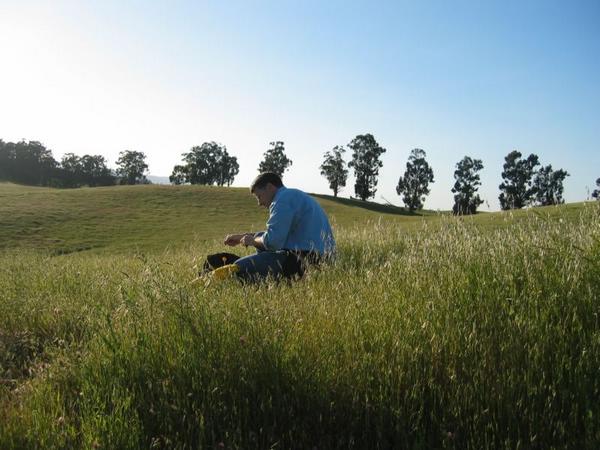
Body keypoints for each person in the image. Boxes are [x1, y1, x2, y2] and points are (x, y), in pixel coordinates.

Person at [209, 172, 335, 283]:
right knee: (257, 256)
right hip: (323, 260)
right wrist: (243, 237)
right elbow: (276, 235)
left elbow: (273, 242)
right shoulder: (295, 196)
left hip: (304, 261)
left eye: (259, 196)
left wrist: (253, 241)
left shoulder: (281, 200)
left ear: (270, 187)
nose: (260, 203)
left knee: (239, 267)